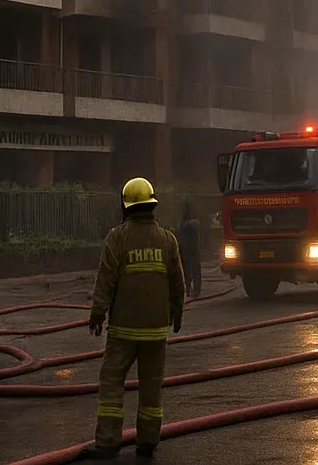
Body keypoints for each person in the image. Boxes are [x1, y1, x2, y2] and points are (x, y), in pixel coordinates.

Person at [82, 178, 186, 460]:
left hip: (124, 330)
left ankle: (107, 442)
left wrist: (97, 315)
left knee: (112, 381)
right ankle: (149, 440)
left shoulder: (117, 238)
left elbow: (106, 280)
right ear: (152, 204)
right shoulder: (168, 239)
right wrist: (177, 312)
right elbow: (178, 282)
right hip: (156, 329)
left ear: (126, 206)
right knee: (152, 385)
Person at [177, 204, 202, 300]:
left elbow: (194, 226)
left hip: (191, 251)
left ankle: (194, 290)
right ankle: (189, 289)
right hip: (186, 251)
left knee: (193, 271)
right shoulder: (184, 225)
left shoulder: (190, 224)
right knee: (188, 272)